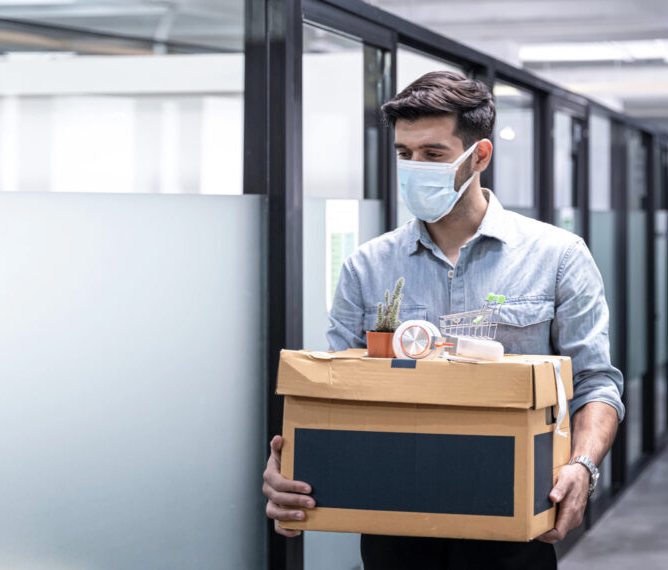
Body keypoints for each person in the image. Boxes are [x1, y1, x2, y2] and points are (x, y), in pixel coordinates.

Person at [262, 71, 624, 569]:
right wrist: (288, 466)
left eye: (433, 154)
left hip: (511, 524)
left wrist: (582, 467)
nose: (414, 168)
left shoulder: (557, 256)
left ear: (479, 156)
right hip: (395, 523)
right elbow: (332, 393)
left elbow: (595, 383)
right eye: (403, 153)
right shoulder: (367, 267)